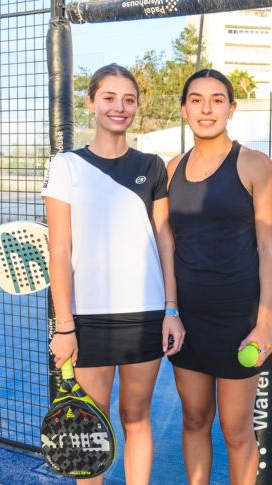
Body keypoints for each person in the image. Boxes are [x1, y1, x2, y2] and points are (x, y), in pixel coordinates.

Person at [41, 63, 186, 485]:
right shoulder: (66, 166)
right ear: (90, 103)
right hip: (87, 321)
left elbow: (165, 242)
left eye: (128, 99)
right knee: (91, 430)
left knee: (136, 417)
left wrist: (171, 309)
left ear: (138, 105)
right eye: (109, 98)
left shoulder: (153, 166)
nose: (119, 107)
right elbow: (61, 249)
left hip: (144, 315)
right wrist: (65, 326)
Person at [166, 69, 272, 485]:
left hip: (238, 321)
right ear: (184, 109)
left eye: (217, 99)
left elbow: (269, 249)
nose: (206, 108)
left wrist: (264, 322)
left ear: (231, 109)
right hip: (187, 321)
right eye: (196, 99)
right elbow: (167, 246)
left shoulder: (255, 164)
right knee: (195, 419)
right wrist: (171, 310)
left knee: (236, 430)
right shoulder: (172, 167)